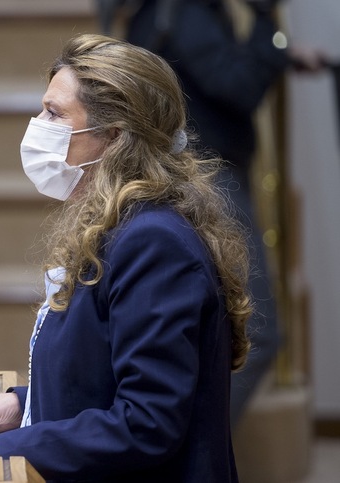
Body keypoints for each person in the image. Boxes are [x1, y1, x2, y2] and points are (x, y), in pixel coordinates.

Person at [0, 34, 252, 482]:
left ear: (114, 137)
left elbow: (147, 422)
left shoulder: (153, 242)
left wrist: (1, 448)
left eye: (54, 113)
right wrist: (24, 406)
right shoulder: (120, 225)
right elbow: (100, 376)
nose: (37, 125)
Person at [124, 0, 326, 426]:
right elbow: (237, 86)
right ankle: (182, 449)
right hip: (207, 180)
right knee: (258, 332)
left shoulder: (167, 12)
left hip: (196, 174)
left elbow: (211, 70)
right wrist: (268, 21)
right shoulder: (183, 12)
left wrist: (278, 51)